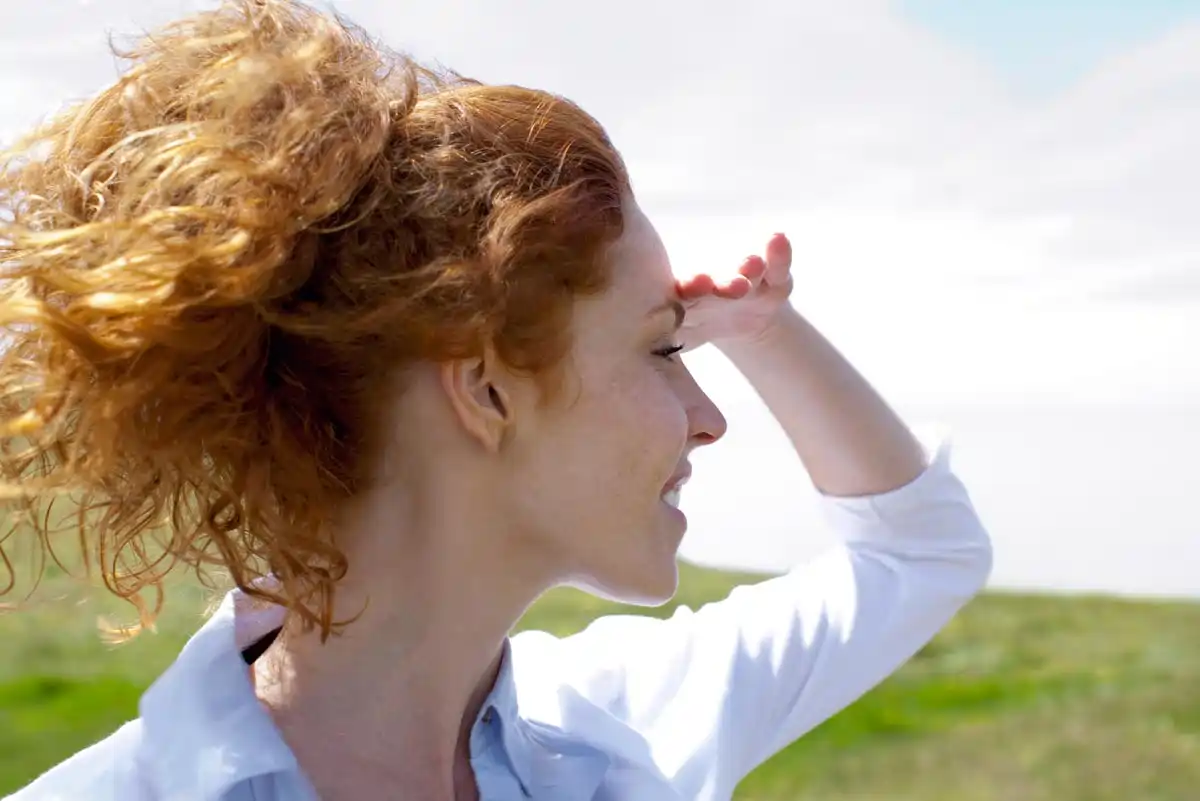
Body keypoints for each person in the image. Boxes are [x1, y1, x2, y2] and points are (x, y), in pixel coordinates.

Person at [0, 1, 993, 799]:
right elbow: (917, 554)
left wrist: (763, 328)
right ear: (483, 389)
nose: (709, 416)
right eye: (665, 352)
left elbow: (921, 555)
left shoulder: (620, 721)